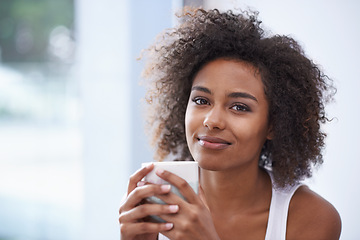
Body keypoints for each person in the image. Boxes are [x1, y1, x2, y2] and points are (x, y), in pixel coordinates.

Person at [119, 8, 341, 240]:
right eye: (201, 100)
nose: (211, 121)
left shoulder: (312, 218)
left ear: (274, 125)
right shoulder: (154, 207)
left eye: (239, 107)